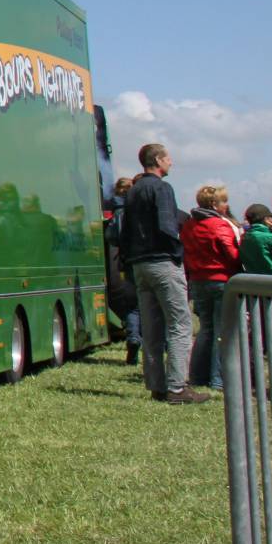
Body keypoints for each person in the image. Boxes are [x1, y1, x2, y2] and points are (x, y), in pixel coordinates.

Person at [122, 143, 207, 402]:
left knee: (152, 328)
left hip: (140, 264)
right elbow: (167, 225)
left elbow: (123, 231)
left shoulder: (134, 190)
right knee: (180, 324)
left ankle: (156, 385)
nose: (171, 162)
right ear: (158, 160)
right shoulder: (162, 188)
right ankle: (178, 387)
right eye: (168, 158)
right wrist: (177, 253)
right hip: (162, 261)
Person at [182, 184, 241, 392]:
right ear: (214, 204)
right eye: (224, 201)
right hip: (220, 280)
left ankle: (197, 375)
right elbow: (232, 255)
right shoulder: (219, 225)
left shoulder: (189, 225)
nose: (227, 205)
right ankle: (217, 379)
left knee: (205, 330)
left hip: (198, 280)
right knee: (221, 331)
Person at [107, 175, 141, 363]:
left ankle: (133, 337)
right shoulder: (136, 210)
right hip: (142, 260)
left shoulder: (115, 212)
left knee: (132, 307)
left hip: (124, 262)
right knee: (147, 304)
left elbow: (111, 237)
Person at [244, 204, 272, 276]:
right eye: (271, 217)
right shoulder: (269, 238)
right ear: (266, 219)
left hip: (256, 282)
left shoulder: (244, 238)